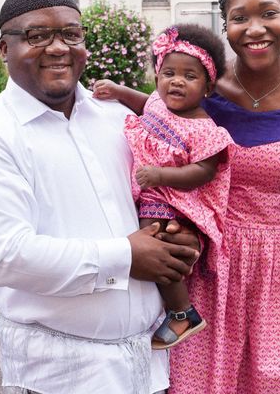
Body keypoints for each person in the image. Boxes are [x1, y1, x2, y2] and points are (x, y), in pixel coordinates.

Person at [94, 0, 280, 393]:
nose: (255, 28)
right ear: (225, 25)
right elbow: (151, 117)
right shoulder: (203, 87)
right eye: (239, 17)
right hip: (208, 267)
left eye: (268, 13)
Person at [0, 0, 200, 394]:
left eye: (70, 33)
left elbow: (155, 200)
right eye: (37, 35)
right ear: (5, 50)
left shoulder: (118, 119)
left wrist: (178, 239)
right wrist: (124, 256)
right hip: (59, 377)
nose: (58, 46)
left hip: (148, 366)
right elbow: (6, 256)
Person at [94, 24, 232, 350]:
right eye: (168, 73)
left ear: (208, 87)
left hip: (175, 200)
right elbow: (143, 104)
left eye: (189, 76)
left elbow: (203, 171)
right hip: (154, 191)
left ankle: (182, 313)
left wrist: (161, 176)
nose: (177, 81)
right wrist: (118, 91)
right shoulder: (159, 103)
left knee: (155, 248)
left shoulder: (204, 129)